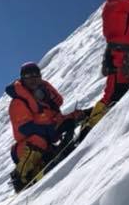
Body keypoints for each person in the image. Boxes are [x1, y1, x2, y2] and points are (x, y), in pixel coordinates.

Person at [6, 61, 86, 191]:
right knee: (39, 140)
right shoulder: (18, 102)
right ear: (22, 78)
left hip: (45, 141)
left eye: (35, 74)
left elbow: (55, 119)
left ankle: (47, 159)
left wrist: (73, 117)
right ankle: (22, 176)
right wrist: (51, 130)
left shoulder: (44, 99)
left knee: (68, 122)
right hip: (24, 148)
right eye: (28, 75)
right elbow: (25, 128)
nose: (33, 78)